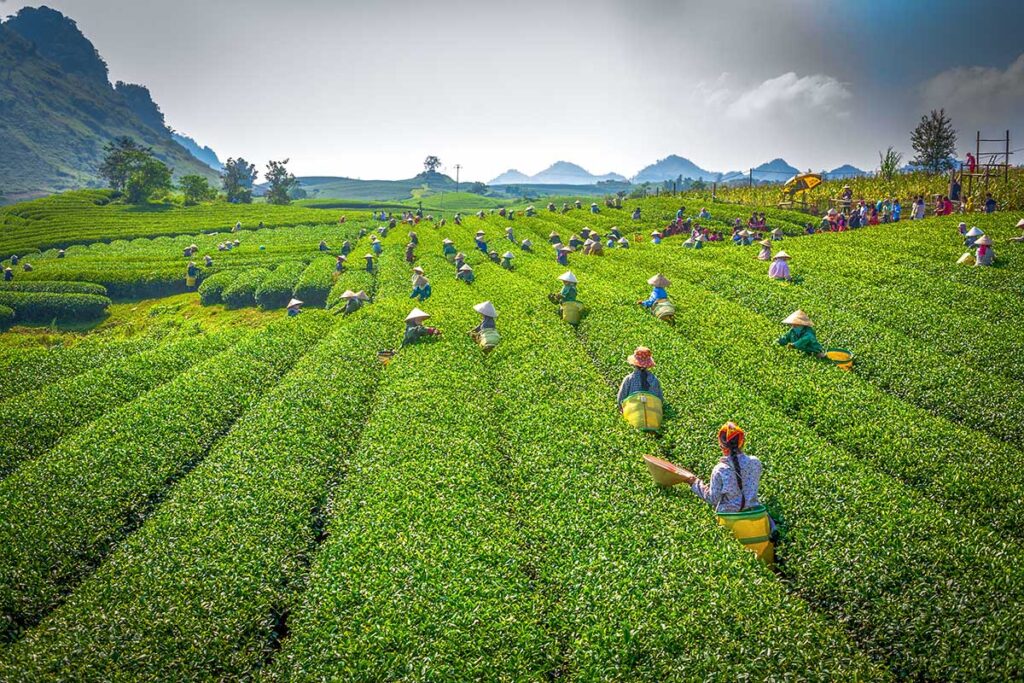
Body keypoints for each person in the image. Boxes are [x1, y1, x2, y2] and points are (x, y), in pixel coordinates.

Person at [682, 423, 765, 517]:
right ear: (742, 442)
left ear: (722, 446)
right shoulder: (755, 462)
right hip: (754, 513)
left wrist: (695, 483)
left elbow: (713, 499)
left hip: (730, 518)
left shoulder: (720, 470)